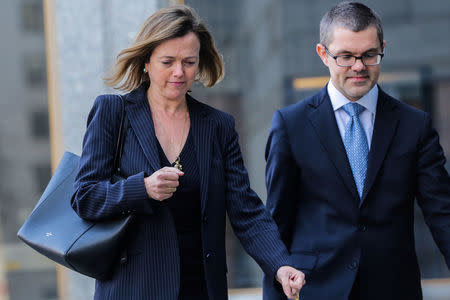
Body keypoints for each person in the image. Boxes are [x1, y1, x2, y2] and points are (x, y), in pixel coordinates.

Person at [71, 5, 305, 300]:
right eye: (167, 61)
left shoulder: (218, 125)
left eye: (189, 62)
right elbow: (85, 197)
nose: (179, 72)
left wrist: (280, 264)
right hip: (133, 289)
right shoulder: (113, 113)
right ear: (146, 62)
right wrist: (142, 189)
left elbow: (245, 208)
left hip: (202, 288)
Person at [263, 2, 450, 300]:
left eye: (369, 55)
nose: (359, 66)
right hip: (317, 290)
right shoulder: (291, 124)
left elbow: (443, 213)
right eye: (346, 56)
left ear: (382, 48)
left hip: (393, 289)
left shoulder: (415, 125)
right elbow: (277, 225)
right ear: (323, 54)